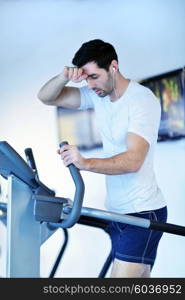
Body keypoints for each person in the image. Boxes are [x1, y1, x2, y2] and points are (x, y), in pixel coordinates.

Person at [38, 39, 167, 278]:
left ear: (113, 67)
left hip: (141, 212)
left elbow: (133, 160)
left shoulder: (141, 100)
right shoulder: (98, 94)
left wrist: (85, 163)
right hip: (116, 210)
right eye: (86, 78)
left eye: (94, 76)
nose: (90, 84)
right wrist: (64, 76)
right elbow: (46, 97)